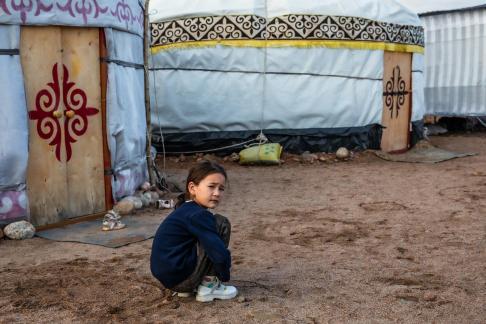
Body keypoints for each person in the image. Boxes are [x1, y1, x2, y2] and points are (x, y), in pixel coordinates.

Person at [150, 160, 237, 302]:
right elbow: (218, 251)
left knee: (204, 234)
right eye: (211, 187)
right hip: (182, 279)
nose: (217, 193)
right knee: (220, 223)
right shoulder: (198, 215)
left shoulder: (185, 208)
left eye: (221, 188)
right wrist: (224, 275)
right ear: (192, 188)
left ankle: (188, 287)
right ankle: (209, 286)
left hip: (170, 279)